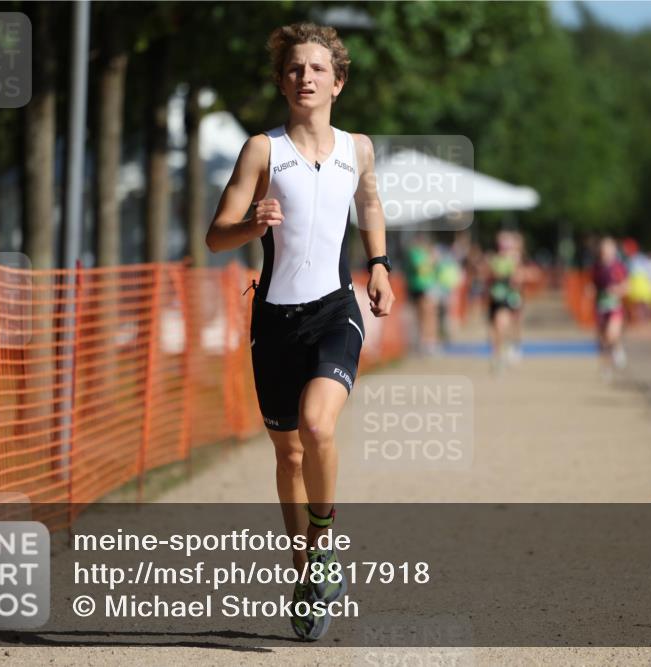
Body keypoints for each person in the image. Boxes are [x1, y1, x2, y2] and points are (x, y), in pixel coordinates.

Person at [205, 21, 394, 642]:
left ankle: (325, 539)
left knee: (318, 425)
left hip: (334, 310)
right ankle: (307, 573)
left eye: (316, 69)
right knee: (287, 453)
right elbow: (216, 235)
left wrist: (381, 266)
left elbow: (368, 204)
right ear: (281, 81)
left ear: (338, 82)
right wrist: (251, 222)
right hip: (274, 318)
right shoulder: (263, 149)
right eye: (294, 69)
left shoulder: (357, 148)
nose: (304, 77)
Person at [485, 230, 524, 372]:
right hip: (494, 298)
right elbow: (489, 277)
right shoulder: (493, 260)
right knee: (495, 329)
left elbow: (517, 279)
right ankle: (497, 355)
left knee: (504, 325)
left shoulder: (513, 260)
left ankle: (506, 350)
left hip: (507, 298)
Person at [591, 236, 628, 380]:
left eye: (609, 249)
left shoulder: (618, 266)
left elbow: (626, 286)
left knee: (612, 334)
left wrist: (617, 290)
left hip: (614, 306)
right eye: (604, 249)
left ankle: (618, 349)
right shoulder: (596, 267)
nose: (606, 252)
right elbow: (594, 284)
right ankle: (606, 367)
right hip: (601, 306)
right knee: (603, 339)